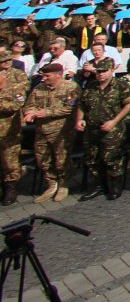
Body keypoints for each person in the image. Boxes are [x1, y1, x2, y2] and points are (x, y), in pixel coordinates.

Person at [74, 57, 130, 202]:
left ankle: (114, 187)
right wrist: (79, 119)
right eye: (98, 71)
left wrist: (114, 121)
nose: (100, 74)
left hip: (112, 129)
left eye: (104, 71)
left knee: (110, 158)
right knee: (92, 158)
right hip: (92, 129)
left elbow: (129, 104)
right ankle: (98, 186)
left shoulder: (120, 85)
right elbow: (82, 105)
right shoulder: (90, 87)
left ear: (111, 70)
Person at [23, 63, 76, 203]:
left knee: (61, 160)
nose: (44, 78)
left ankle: (63, 185)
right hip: (42, 130)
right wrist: (30, 113)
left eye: (47, 75)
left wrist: (43, 112)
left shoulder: (70, 88)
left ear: (58, 74)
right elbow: (29, 105)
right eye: (43, 75)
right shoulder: (39, 88)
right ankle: (52, 184)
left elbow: (69, 108)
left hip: (61, 131)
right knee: (43, 159)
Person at [0, 47, 30, 206]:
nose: (6, 63)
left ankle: (11, 188)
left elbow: (17, 101)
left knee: (9, 159)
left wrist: (3, 89)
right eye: (2, 61)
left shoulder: (18, 75)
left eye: (8, 60)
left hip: (9, 126)